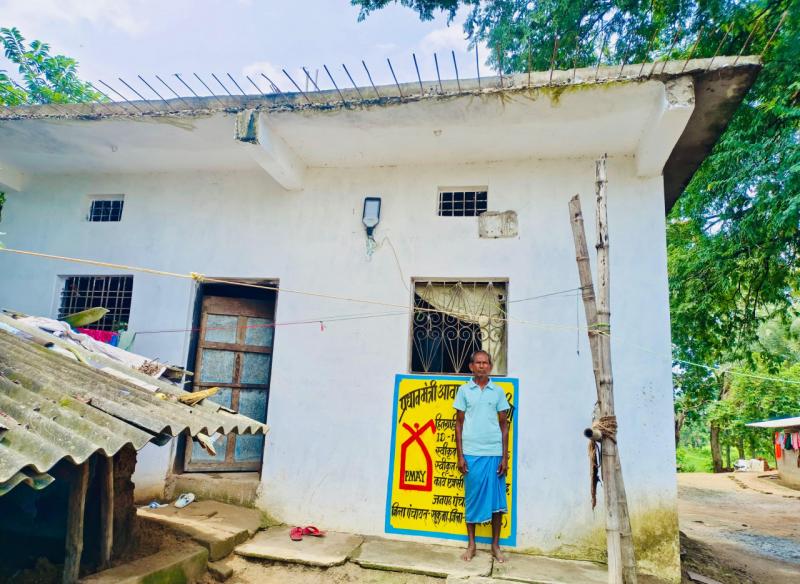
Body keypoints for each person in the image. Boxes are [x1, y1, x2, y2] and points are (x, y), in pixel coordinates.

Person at [453, 349, 510, 562]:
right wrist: (460, 456)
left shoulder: (498, 392)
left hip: (494, 453)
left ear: (490, 367)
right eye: (478, 363)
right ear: (471, 366)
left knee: (497, 502)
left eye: (485, 363)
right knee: (472, 499)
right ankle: (472, 545)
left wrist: (504, 457)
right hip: (471, 453)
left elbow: (504, 426)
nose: (482, 366)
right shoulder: (464, 391)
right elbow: (458, 425)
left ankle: (495, 546)